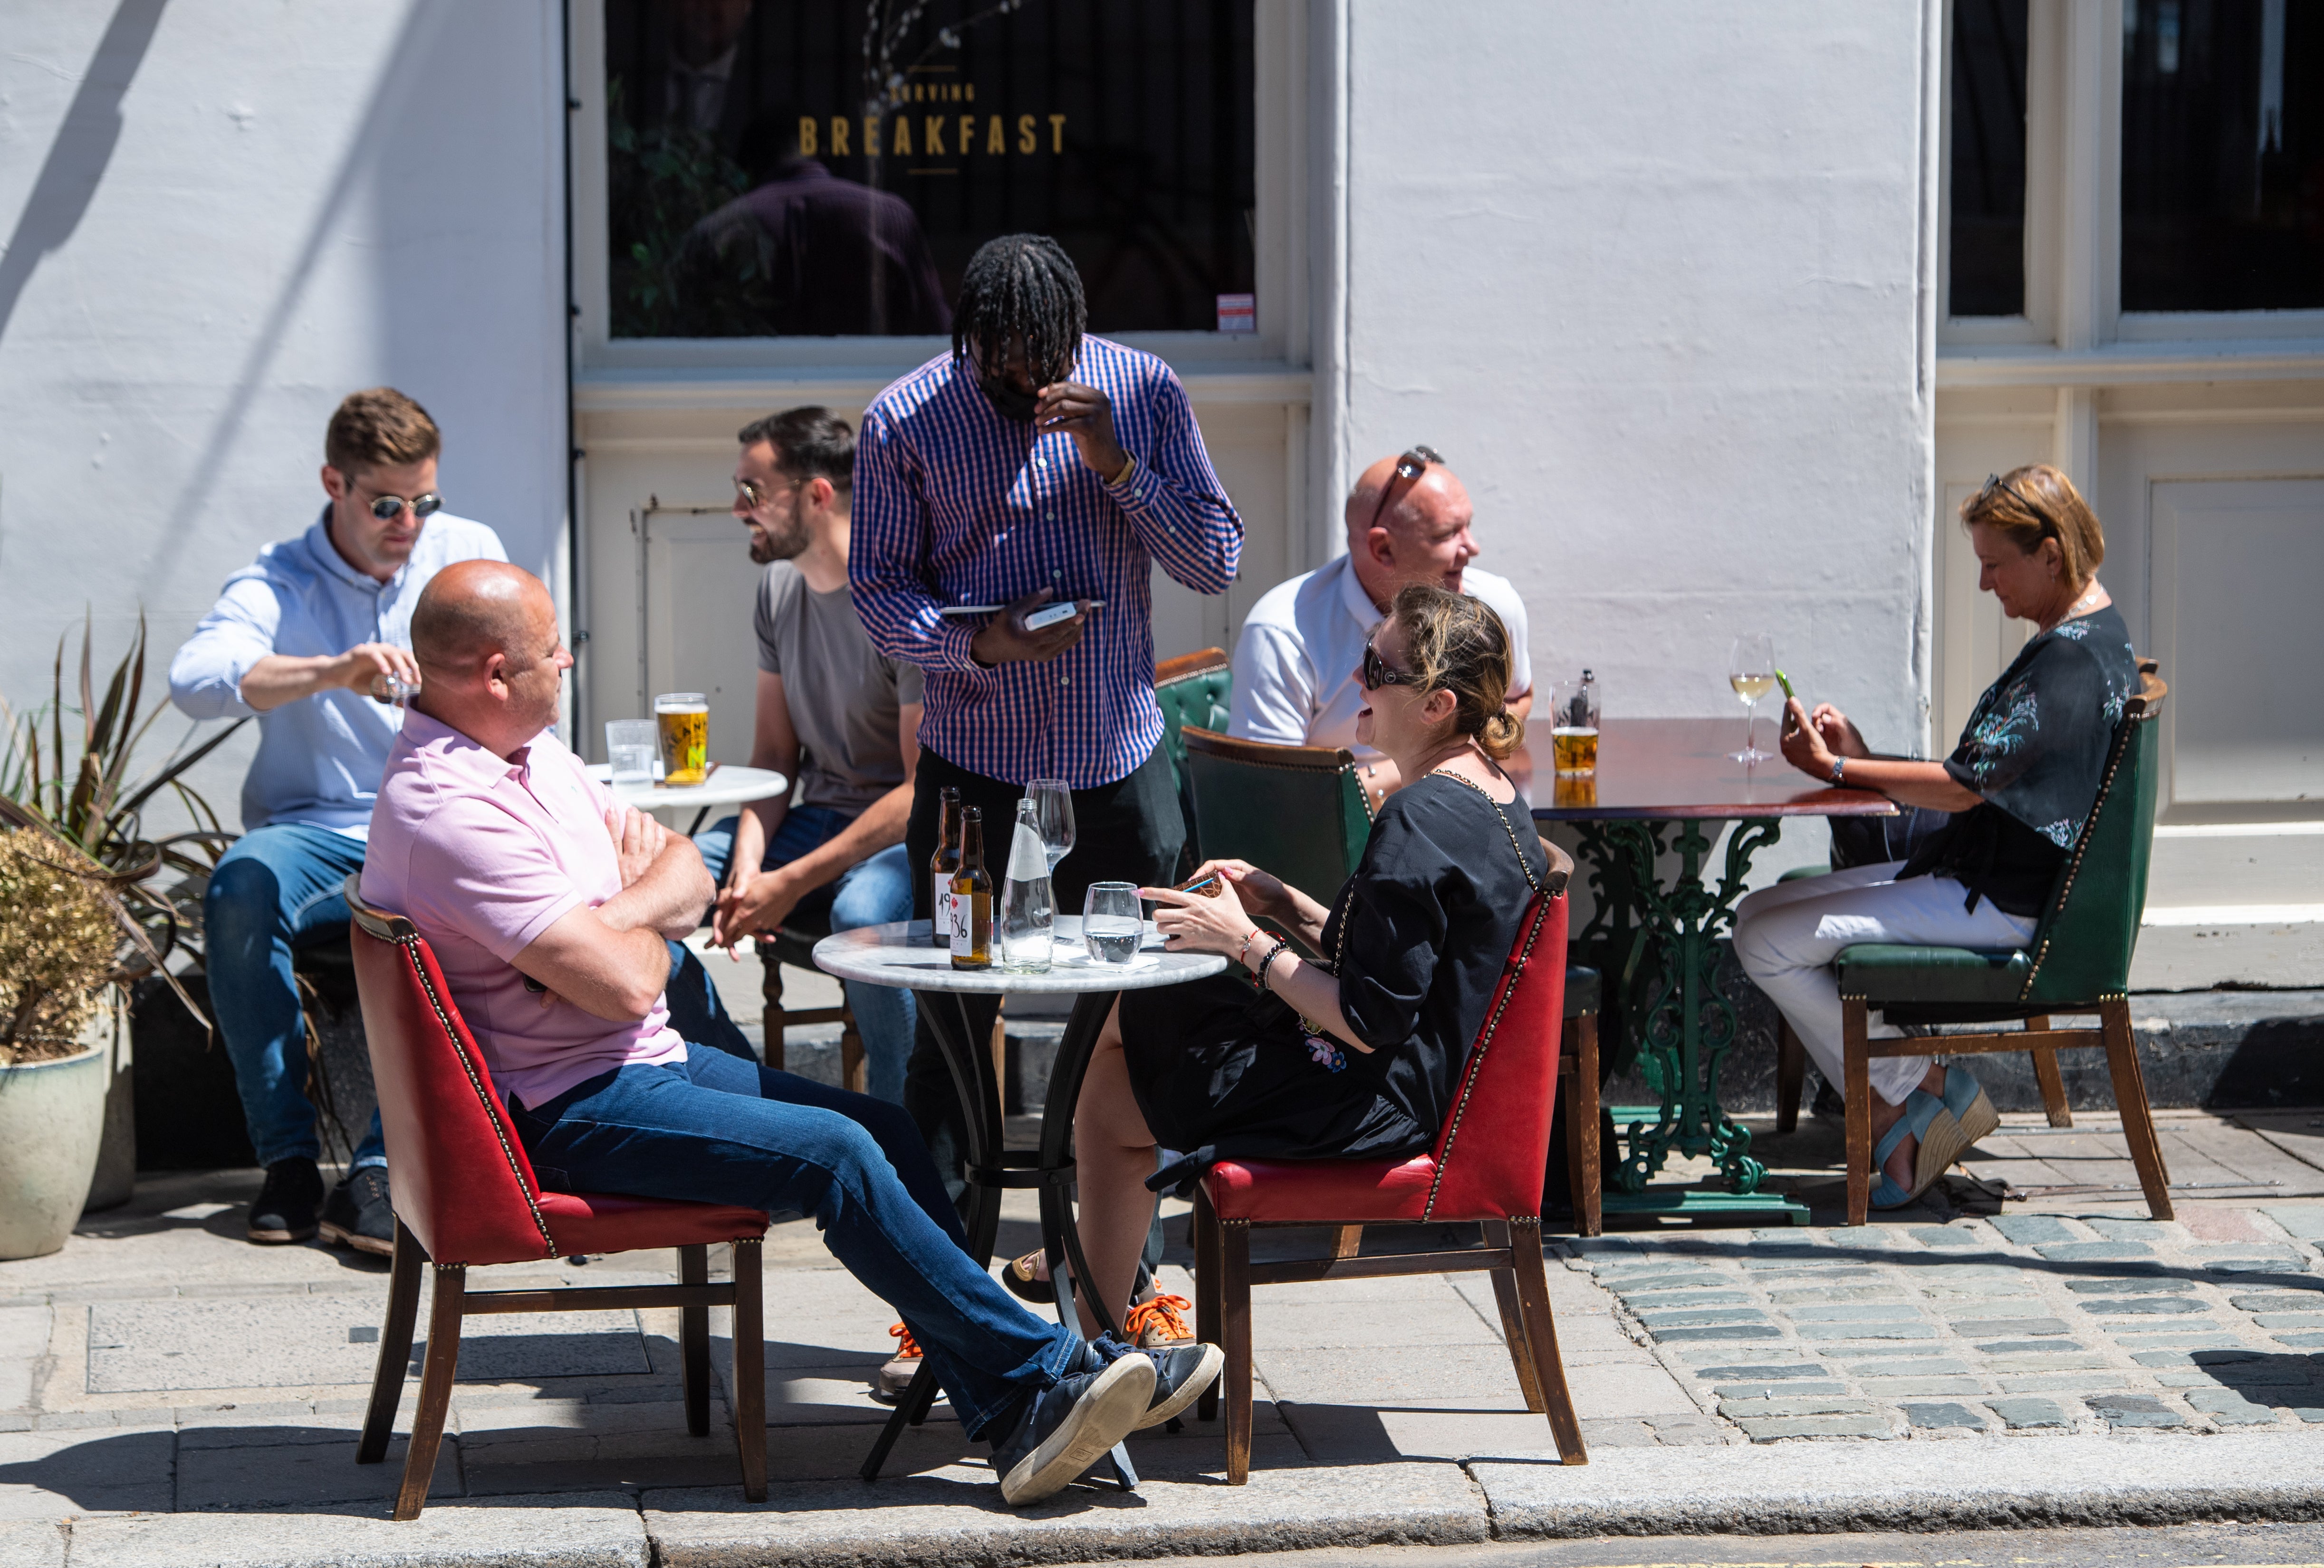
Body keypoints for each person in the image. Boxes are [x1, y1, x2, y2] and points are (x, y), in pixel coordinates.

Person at [358, 560, 1220, 1506]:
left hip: (631, 1060)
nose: (568, 659)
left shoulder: (534, 754)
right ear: (492, 671)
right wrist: (641, 919)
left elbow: (687, 859)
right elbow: (626, 978)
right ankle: (1043, 1376)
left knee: (881, 1128)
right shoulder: (452, 811)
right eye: (550, 649)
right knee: (838, 1153)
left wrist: (616, 910)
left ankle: (1013, 1398)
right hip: (563, 1108)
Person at [849, 233, 1243, 1214]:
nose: (1030, 382)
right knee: (948, 1031)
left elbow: (1215, 560)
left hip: (1117, 759)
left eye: (1049, 362)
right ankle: (941, 1305)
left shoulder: (1140, 389)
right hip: (974, 776)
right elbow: (877, 590)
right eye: (1004, 366)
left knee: (1146, 1018)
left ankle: (1127, 1280)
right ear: (967, 340)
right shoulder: (904, 418)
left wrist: (1116, 461)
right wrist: (980, 642)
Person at [1064, 586, 1553, 1336]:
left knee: (1118, 1046)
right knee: (1130, 1038)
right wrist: (1281, 903)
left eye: (1376, 667)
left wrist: (1243, 944)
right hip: (1404, 1079)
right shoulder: (1488, 790)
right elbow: (1401, 967)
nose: (1358, 681)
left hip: (1373, 1099)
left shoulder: (1416, 818)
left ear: (1436, 705)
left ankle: (1092, 1324)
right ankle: (1098, 1313)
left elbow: (1367, 1019)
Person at [1735, 464, 2141, 1210]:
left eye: (1994, 564)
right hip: (1983, 878)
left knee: (1763, 941)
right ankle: (1910, 1093)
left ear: (2049, 553)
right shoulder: (2085, 635)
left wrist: (1839, 765)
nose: (1985, 584)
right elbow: (1974, 778)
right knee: (1756, 918)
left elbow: (1961, 786)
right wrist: (1856, 760)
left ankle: (1916, 1087)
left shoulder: (2070, 660)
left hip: (2001, 903)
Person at [168, 387, 507, 1254]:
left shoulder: (465, 551)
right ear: (335, 482)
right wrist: (329, 671)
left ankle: (378, 1166)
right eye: (386, 503)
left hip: (438, 820)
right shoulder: (280, 576)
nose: (410, 522)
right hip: (320, 829)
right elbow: (196, 679)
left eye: (423, 500)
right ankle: (287, 1161)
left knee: (452, 892)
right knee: (243, 881)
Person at [694, 407, 920, 1106]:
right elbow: (771, 755)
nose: (738, 510)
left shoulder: (899, 601)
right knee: (661, 877)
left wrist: (788, 880)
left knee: (860, 914)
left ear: (817, 494)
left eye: (753, 492)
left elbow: (923, 790)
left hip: (905, 835)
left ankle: (900, 1132)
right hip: (814, 817)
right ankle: (738, 1095)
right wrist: (748, 866)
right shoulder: (779, 587)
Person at [1230, 447, 1533, 808]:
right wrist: (1436, 765)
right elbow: (1271, 792)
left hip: (1465, 819)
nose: (1472, 547)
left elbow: (1515, 697)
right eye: (1447, 534)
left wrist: (1417, 770)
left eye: (1468, 525)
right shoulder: (1282, 632)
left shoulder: (1492, 605)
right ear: (1382, 547)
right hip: (1342, 836)